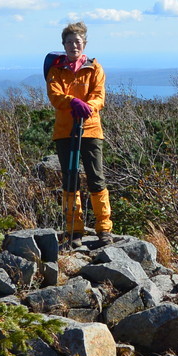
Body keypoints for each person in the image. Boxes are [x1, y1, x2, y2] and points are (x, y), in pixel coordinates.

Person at [45, 21, 111, 242]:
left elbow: (99, 96)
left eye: (78, 42)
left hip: (91, 129)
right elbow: (55, 96)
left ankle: (104, 228)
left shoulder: (95, 68)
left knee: (96, 178)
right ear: (63, 45)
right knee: (70, 180)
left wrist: (88, 107)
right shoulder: (56, 70)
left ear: (85, 44)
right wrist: (73, 101)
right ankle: (74, 229)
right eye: (70, 42)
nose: (74, 45)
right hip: (65, 130)